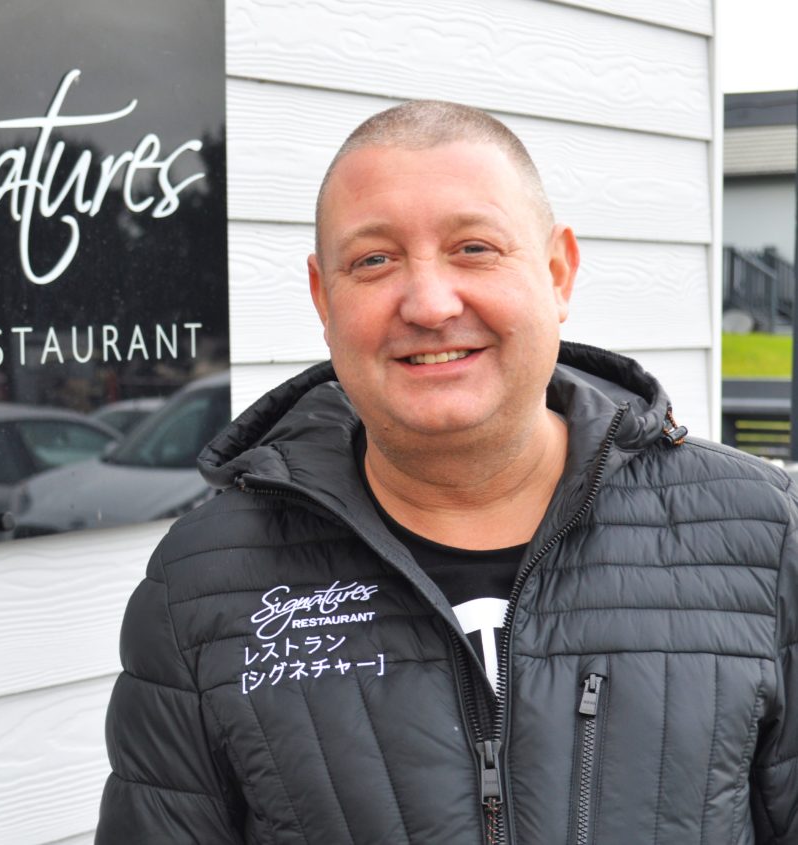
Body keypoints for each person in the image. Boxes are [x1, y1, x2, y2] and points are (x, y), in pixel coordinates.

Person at [94, 100, 798, 844]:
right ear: (323, 298)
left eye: (474, 248)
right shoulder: (203, 586)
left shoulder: (762, 535)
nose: (429, 305)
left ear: (558, 272)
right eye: (374, 260)